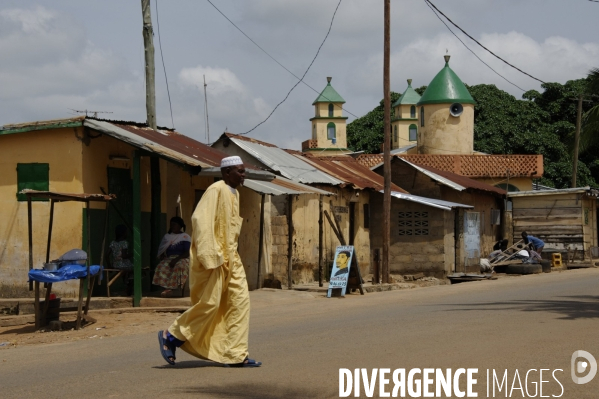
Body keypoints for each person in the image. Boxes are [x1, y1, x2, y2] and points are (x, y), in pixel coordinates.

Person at [157, 156, 261, 368]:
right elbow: (200, 221)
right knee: (210, 303)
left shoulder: (236, 194)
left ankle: (235, 354)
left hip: (233, 259)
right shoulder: (216, 190)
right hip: (216, 258)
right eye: (239, 171)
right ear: (226, 173)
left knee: (240, 303)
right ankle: (171, 335)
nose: (243, 175)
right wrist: (210, 256)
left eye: (244, 171)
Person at [152, 217, 191, 297]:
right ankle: (166, 288)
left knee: (179, 266)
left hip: (182, 258)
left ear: (180, 226)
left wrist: (176, 259)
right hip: (170, 258)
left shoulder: (185, 237)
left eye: (174, 224)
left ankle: (170, 289)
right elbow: (163, 249)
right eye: (171, 225)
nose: (172, 226)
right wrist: (162, 255)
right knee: (161, 266)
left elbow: (188, 252)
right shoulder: (167, 236)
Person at [108, 225, 133, 295]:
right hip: (123, 264)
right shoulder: (124, 243)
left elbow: (107, 254)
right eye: (126, 232)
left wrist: (109, 265)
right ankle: (128, 287)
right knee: (135, 270)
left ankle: (126, 282)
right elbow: (124, 256)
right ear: (124, 233)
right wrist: (133, 254)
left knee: (124, 273)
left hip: (115, 264)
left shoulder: (113, 242)